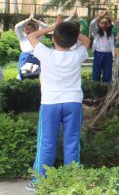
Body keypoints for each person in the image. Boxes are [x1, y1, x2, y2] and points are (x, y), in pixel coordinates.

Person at [26, 16, 91, 191]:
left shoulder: (46, 53)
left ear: (53, 39)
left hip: (50, 104)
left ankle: (40, 181)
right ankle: (72, 179)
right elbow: (86, 40)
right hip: (73, 103)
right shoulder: (78, 54)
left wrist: (53, 27)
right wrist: (68, 30)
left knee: (46, 142)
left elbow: (31, 37)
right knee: (72, 142)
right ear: (73, 39)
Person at [15, 13, 48, 80]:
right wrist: (27, 20)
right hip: (25, 57)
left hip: (35, 57)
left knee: (35, 75)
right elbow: (17, 27)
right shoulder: (22, 37)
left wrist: (35, 21)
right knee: (23, 74)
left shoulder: (38, 37)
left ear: (35, 30)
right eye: (26, 29)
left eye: (30, 29)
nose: (27, 31)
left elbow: (45, 27)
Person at [89, 10, 115, 83]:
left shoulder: (111, 34)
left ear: (109, 24)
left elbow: (117, 24)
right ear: (99, 24)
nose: (104, 25)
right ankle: (95, 88)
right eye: (102, 23)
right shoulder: (96, 33)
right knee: (96, 72)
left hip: (109, 55)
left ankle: (105, 88)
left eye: (106, 23)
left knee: (107, 73)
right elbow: (92, 24)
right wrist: (100, 17)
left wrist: (110, 17)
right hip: (98, 54)